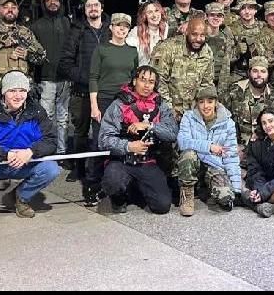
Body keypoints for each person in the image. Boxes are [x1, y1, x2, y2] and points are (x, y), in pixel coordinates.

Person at [0, 71, 60, 224]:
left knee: (51, 169)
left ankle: (20, 197)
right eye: (12, 91)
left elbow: (51, 140)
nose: (18, 96)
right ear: (3, 92)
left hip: (24, 162)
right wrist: (4, 154)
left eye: (22, 91)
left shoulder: (36, 111)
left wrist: (31, 152)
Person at [98, 65, 179, 214]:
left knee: (162, 206)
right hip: (122, 160)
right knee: (113, 181)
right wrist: (128, 146)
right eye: (143, 80)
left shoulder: (161, 106)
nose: (147, 85)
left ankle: (137, 190)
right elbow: (103, 139)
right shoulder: (119, 105)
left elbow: (173, 133)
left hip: (149, 162)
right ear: (134, 81)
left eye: (151, 82)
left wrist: (149, 126)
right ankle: (119, 198)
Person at [84, 13, 139, 206]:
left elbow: (135, 80)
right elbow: (93, 77)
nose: (121, 29)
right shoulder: (102, 49)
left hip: (124, 101)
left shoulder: (132, 51)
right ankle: (92, 184)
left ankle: (118, 185)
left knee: (123, 141)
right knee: (99, 142)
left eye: (125, 26)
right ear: (111, 28)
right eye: (118, 26)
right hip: (104, 100)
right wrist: (94, 106)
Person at [60, 0, 110, 181]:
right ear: (85, 9)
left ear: (102, 8)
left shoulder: (111, 29)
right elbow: (65, 63)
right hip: (81, 91)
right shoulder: (77, 30)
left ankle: (100, 168)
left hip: (104, 92)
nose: (93, 8)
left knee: (103, 131)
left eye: (96, 5)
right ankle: (78, 168)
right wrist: (86, 79)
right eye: (89, 6)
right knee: (80, 132)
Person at [176, 86, 241, 216]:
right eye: (201, 102)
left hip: (214, 166)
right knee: (188, 154)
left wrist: (236, 187)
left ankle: (204, 190)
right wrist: (209, 147)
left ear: (216, 102)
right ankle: (187, 195)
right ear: (197, 103)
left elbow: (231, 156)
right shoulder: (188, 117)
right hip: (193, 164)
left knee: (226, 198)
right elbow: (183, 142)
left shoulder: (228, 123)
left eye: (210, 101)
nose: (206, 106)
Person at [30, 0, 72, 157]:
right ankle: (45, 151)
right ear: (44, 4)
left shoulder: (68, 23)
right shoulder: (36, 26)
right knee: (46, 116)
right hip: (46, 79)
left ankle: (62, 152)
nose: (53, 2)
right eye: (49, 0)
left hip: (66, 79)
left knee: (63, 119)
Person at [0, 0, 46, 98]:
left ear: (17, 12)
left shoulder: (26, 33)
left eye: (13, 7)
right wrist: (0, 42)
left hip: (21, 84)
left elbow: (42, 57)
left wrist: (27, 55)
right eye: (5, 7)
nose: (10, 10)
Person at [225, 56, 274, 149]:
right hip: (237, 148)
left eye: (263, 71)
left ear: (268, 74)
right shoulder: (234, 92)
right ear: (249, 73)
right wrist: (234, 145)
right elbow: (223, 121)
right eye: (255, 71)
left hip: (267, 148)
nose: (259, 75)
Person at [228, 0, 265, 82]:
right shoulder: (231, 29)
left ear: (255, 10)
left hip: (260, 74)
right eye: (243, 8)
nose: (247, 11)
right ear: (238, 10)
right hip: (239, 73)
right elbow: (225, 58)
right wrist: (236, 51)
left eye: (250, 8)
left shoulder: (263, 27)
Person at [204, 2, 236, 94]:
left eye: (219, 15)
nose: (216, 18)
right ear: (206, 16)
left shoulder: (227, 38)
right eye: (212, 15)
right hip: (201, 84)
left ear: (223, 18)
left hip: (221, 84)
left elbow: (230, 60)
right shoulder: (200, 37)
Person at [127, 0, 168, 66]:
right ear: (144, 16)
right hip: (142, 73)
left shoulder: (166, 29)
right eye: (150, 12)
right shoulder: (136, 32)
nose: (154, 15)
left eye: (156, 10)